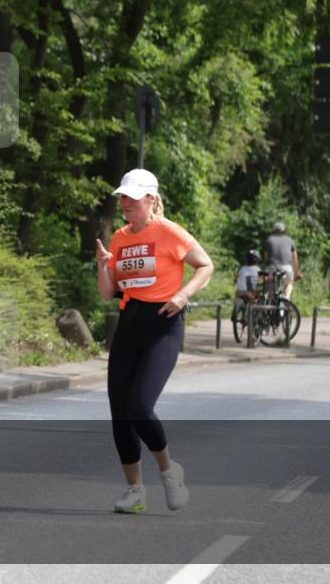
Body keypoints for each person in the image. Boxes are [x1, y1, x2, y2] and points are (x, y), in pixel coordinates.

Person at [95, 168, 214, 514]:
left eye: (133, 197)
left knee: (140, 406)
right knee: (120, 413)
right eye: (123, 197)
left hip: (164, 324)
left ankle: (168, 471)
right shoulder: (119, 238)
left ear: (151, 199)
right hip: (130, 323)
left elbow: (205, 265)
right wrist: (104, 266)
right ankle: (135, 491)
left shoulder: (169, 233)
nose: (126, 203)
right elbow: (108, 292)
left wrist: (183, 295)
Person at [264, 222, 303, 300]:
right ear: (284, 230)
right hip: (286, 268)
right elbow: (295, 258)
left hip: (272, 267)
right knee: (288, 284)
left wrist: (267, 266)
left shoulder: (269, 239)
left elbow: (266, 258)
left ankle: (267, 299)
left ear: (274, 230)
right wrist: (296, 273)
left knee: (269, 284)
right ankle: (286, 298)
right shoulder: (290, 240)